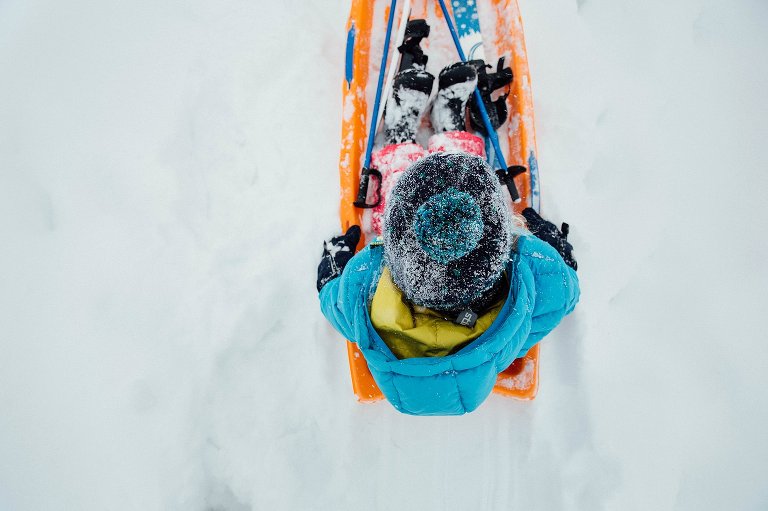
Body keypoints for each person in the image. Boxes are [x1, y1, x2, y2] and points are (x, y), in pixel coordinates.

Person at [316, 21, 579, 415]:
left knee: (402, 190)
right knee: (463, 191)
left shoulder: (364, 296)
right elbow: (567, 285)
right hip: (490, 329)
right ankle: (451, 125)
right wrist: (555, 247)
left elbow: (331, 299)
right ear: (508, 245)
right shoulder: (540, 284)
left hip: (414, 280)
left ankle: (404, 137)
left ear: (391, 255)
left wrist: (333, 267)